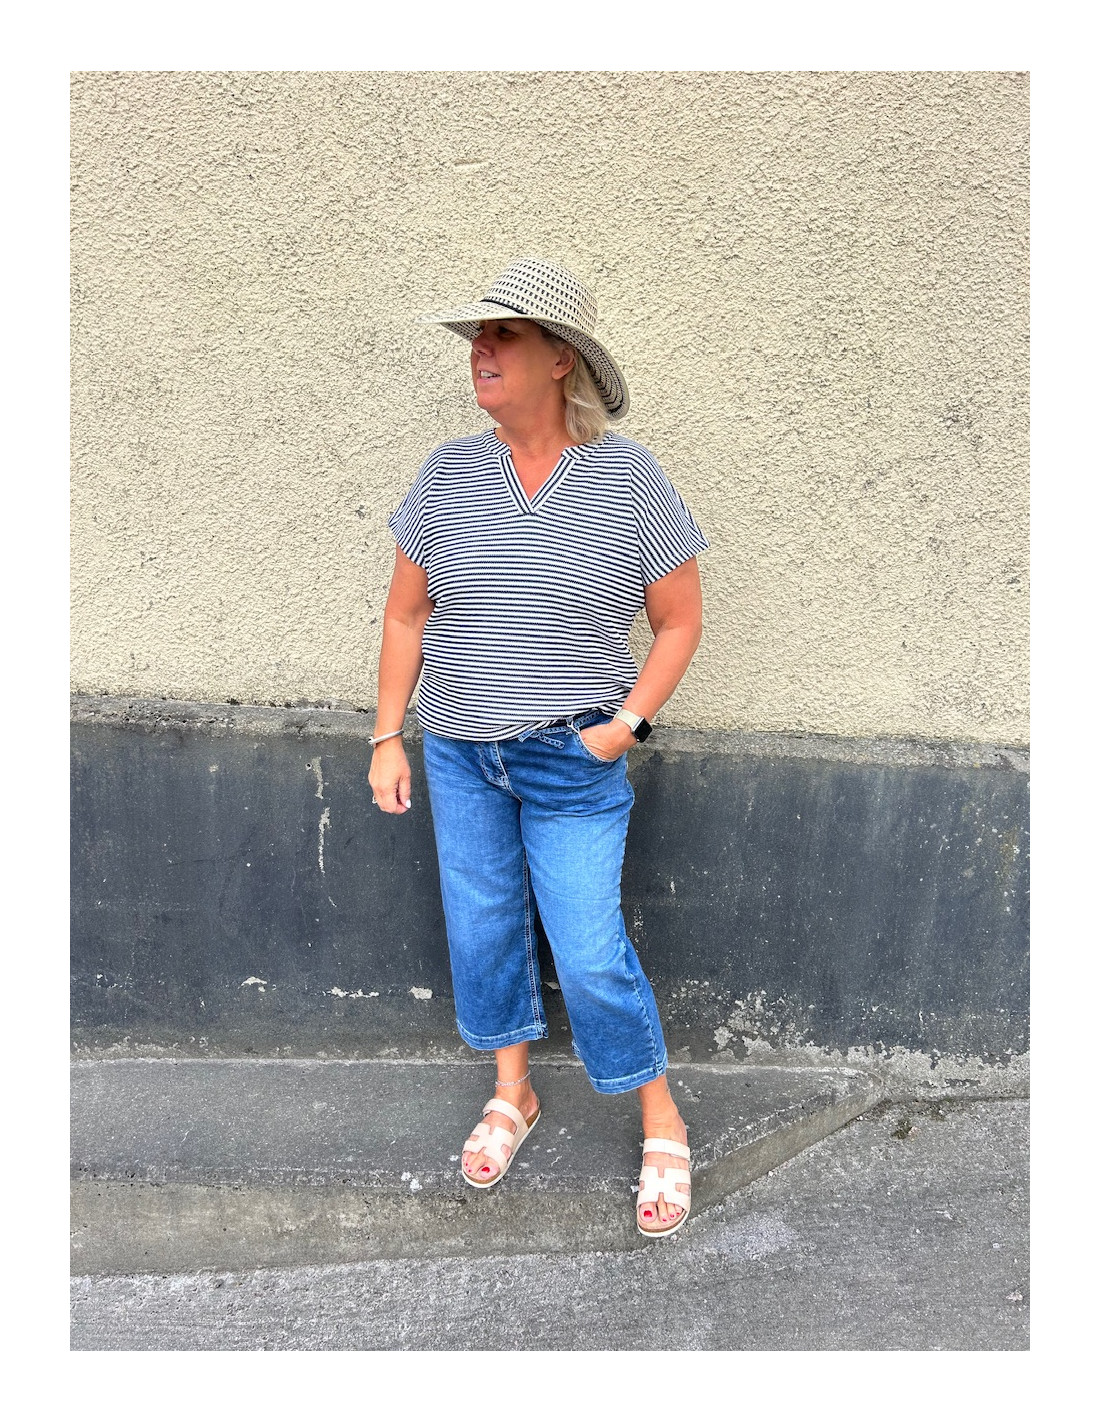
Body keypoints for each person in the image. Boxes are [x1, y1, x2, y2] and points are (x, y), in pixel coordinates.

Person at [368, 258, 708, 1238]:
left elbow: (679, 620)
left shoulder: (626, 477)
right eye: (478, 334)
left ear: (561, 359)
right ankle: (512, 1090)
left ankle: (661, 1117)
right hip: (459, 753)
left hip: (572, 761)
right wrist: (387, 735)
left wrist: (625, 723)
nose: (481, 348)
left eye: (504, 334)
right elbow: (405, 616)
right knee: (482, 931)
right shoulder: (447, 473)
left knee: (589, 949)